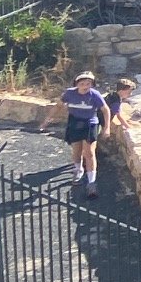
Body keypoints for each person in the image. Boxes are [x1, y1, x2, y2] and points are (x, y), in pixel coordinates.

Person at [40, 70, 109, 199]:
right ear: (77, 84)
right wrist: (47, 121)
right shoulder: (69, 93)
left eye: (88, 83)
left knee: (89, 152)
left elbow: (105, 110)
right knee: (76, 150)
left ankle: (91, 182)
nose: (85, 86)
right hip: (75, 122)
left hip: (90, 123)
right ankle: (78, 170)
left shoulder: (95, 95)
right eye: (83, 83)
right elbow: (58, 106)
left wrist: (106, 128)